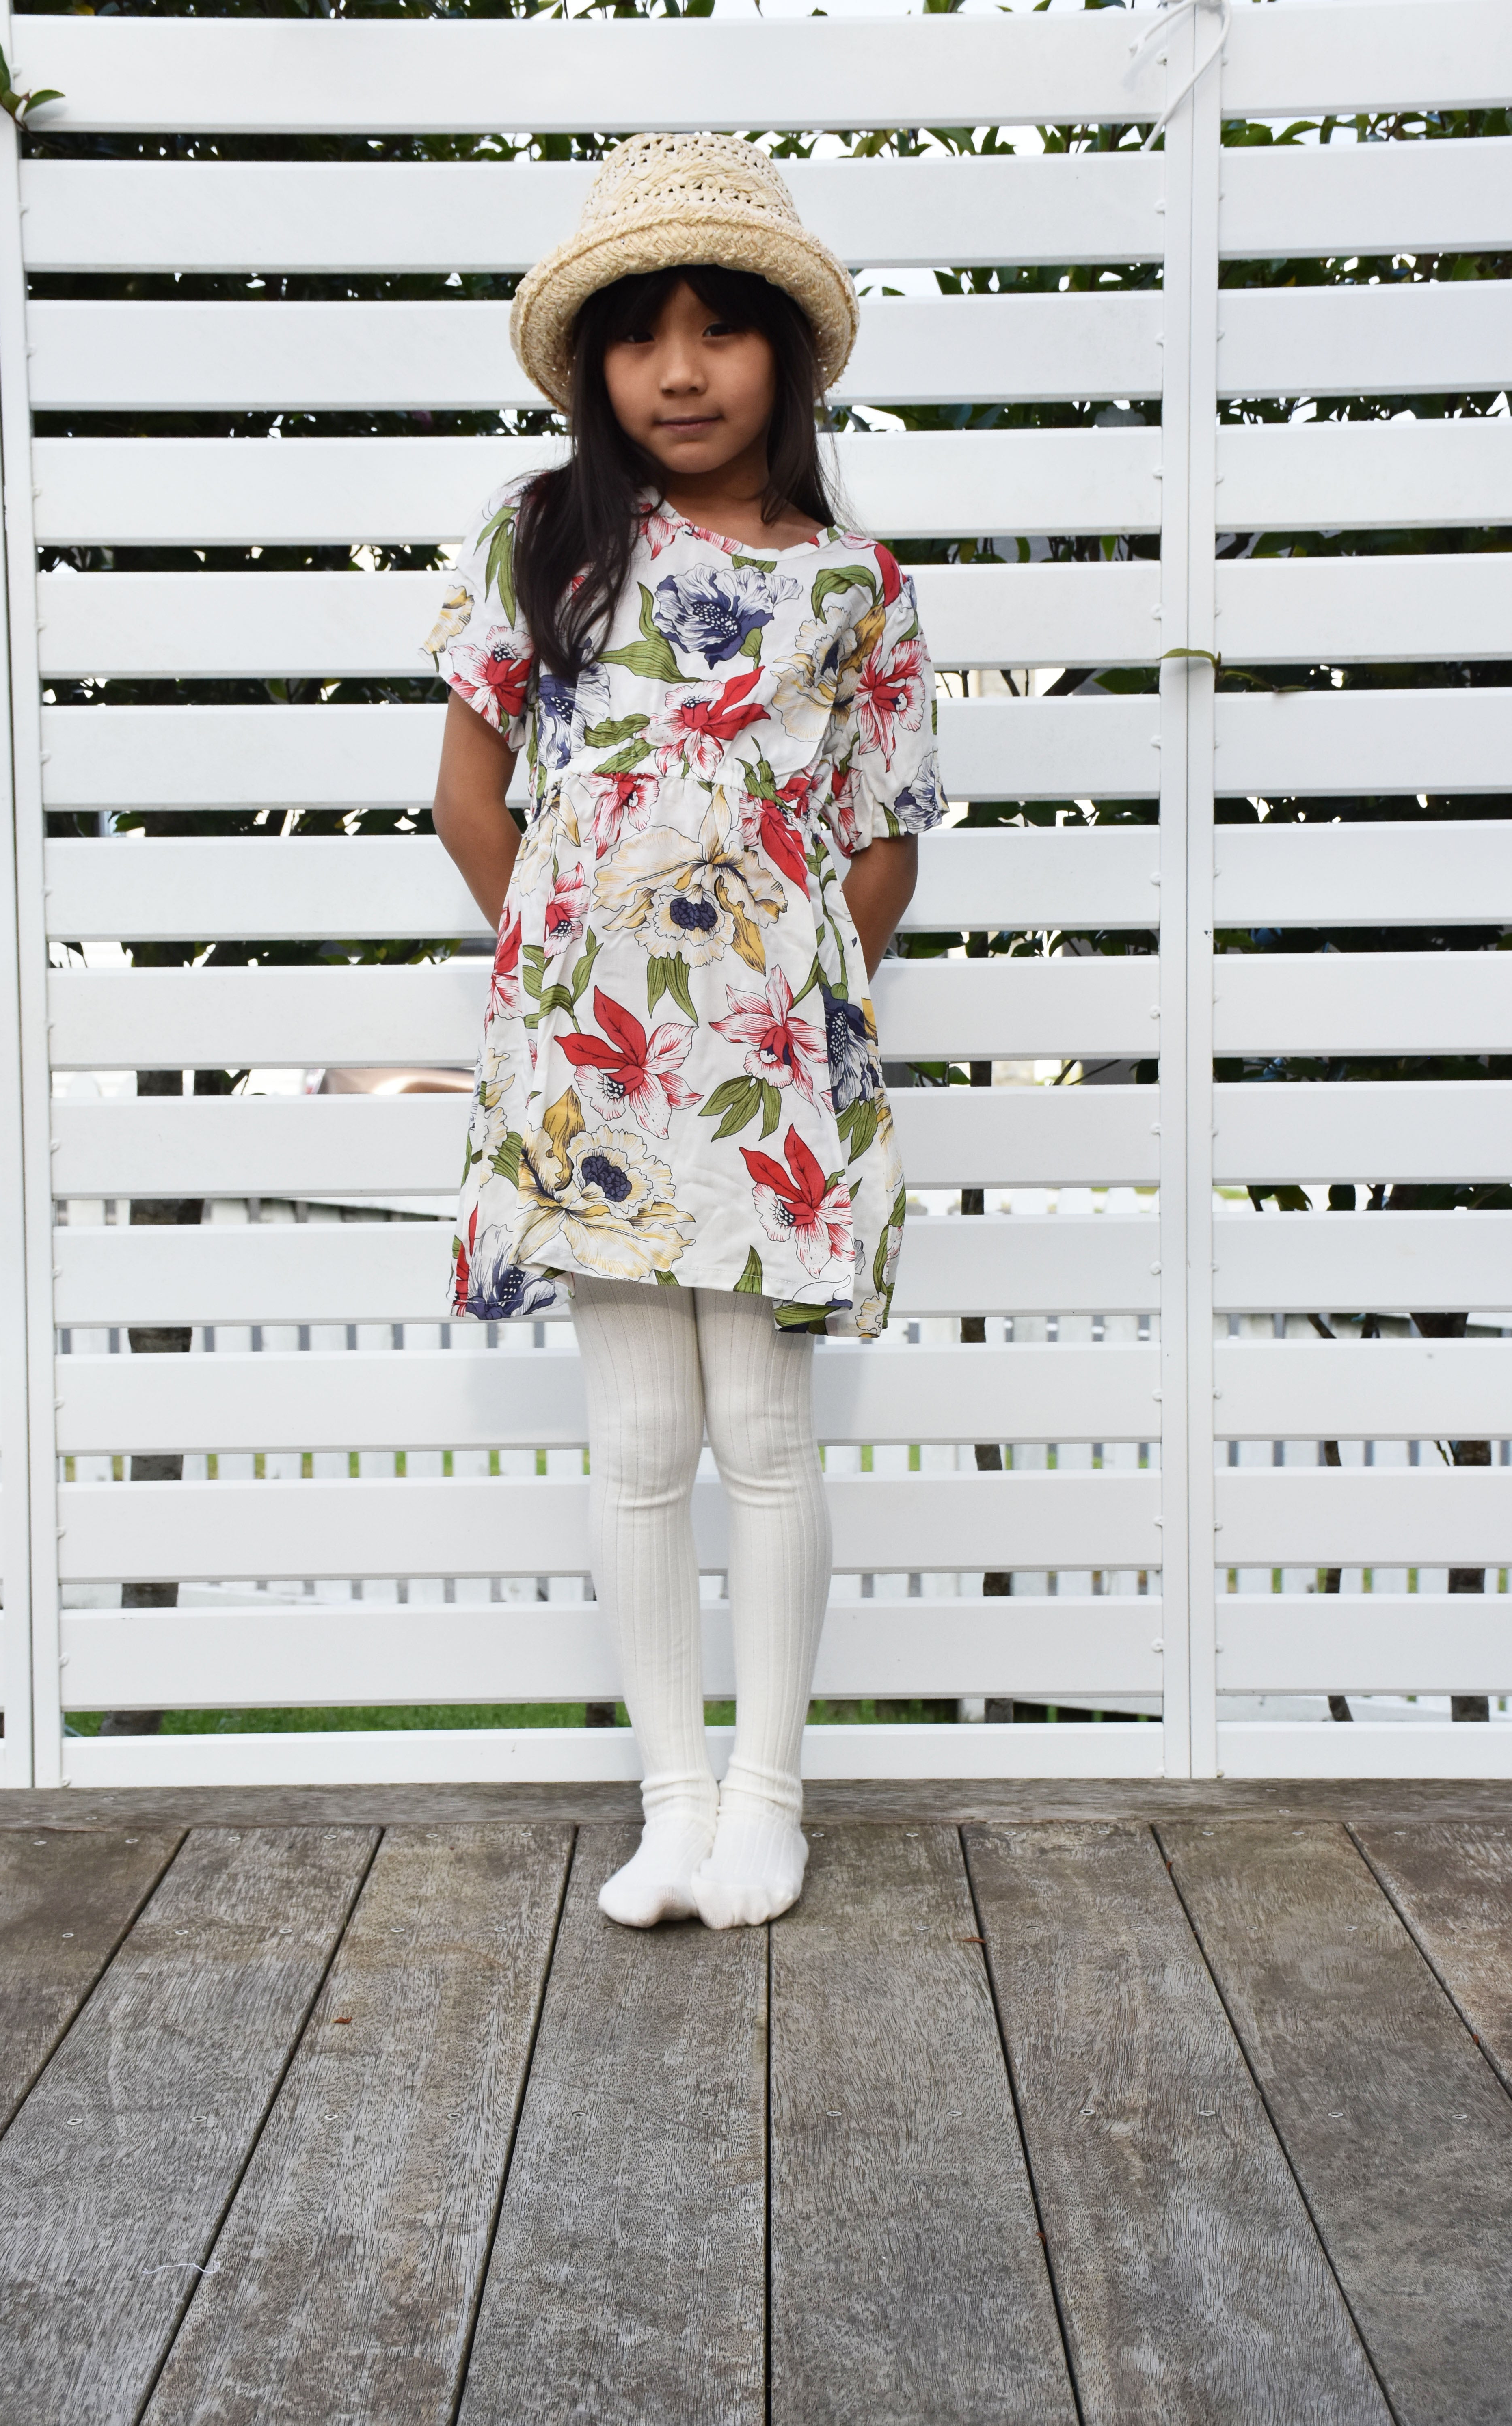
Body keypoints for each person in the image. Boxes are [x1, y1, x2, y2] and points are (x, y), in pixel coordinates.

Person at [426, 133, 946, 1931]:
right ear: (594, 367)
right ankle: (669, 1804)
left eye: (720, 329)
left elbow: (882, 836)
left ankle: (767, 1801)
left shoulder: (859, 590)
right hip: (591, 1071)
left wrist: (792, 992)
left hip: (771, 1080)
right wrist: (571, 971)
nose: (680, 369)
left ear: (785, 357)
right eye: (642, 335)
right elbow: (469, 800)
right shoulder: (544, 541)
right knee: (640, 1438)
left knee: (769, 1435)